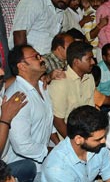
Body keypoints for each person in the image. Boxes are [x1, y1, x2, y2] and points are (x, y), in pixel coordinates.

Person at [5, 44, 59, 181]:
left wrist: (58, 145)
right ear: (22, 66)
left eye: (39, 55)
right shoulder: (18, 97)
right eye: (36, 57)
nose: (41, 59)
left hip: (44, 163)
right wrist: (52, 152)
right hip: (25, 170)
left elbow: (47, 121)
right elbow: (22, 145)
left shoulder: (42, 86)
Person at [41, 105, 110, 182]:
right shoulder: (57, 169)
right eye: (98, 139)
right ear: (78, 139)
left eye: (104, 136)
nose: (103, 141)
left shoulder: (99, 147)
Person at [9, 0, 73, 55]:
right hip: (29, 60)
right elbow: (19, 34)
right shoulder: (33, 2)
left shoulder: (60, 10)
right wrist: (26, 60)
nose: (65, 0)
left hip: (46, 59)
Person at [48, 41, 95, 139]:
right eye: (89, 59)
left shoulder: (89, 77)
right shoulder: (61, 83)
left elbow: (90, 111)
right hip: (66, 137)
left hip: (84, 133)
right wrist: (74, 143)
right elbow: (58, 121)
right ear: (76, 62)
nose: (93, 62)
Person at [0, 59, 36, 182]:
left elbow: (7, 82)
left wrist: (38, 77)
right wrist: (5, 118)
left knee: (29, 167)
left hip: (4, 162)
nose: (2, 71)